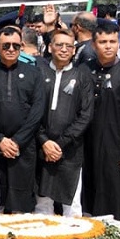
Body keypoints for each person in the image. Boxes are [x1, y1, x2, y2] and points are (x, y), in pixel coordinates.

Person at [0, 26, 45, 213]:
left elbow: (37, 111)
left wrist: (17, 141)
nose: (11, 49)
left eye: (16, 45)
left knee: (22, 199)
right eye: (6, 45)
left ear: (21, 46)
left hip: (24, 145)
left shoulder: (34, 73)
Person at [82, 22, 120, 220]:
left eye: (112, 41)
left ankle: (114, 227)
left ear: (119, 43)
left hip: (115, 143)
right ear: (93, 44)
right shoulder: (83, 70)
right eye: (103, 42)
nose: (108, 46)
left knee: (113, 186)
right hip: (86, 141)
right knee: (88, 185)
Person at [34, 30, 93, 217]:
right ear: (50, 47)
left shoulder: (82, 76)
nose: (64, 49)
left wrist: (59, 145)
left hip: (70, 148)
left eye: (69, 46)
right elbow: (30, 111)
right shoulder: (38, 72)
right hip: (42, 146)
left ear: (74, 51)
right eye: (59, 45)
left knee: (72, 203)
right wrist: (44, 141)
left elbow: (85, 115)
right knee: (42, 202)